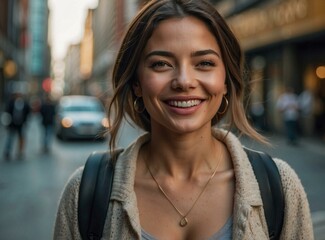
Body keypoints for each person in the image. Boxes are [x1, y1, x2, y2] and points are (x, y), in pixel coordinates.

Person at [54, 1, 313, 239]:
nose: (184, 81)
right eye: (161, 64)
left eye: (204, 63)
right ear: (136, 84)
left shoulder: (279, 186)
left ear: (225, 81)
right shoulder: (84, 193)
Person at [3, 90, 30, 160]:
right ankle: (7, 152)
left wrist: (25, 121)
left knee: (21, 138)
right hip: (12, 123)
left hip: (21, 124)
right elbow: (7, 112)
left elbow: (27, 112)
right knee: (10, 137)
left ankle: (20, 152)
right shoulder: (11, 103)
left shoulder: (24, 103)